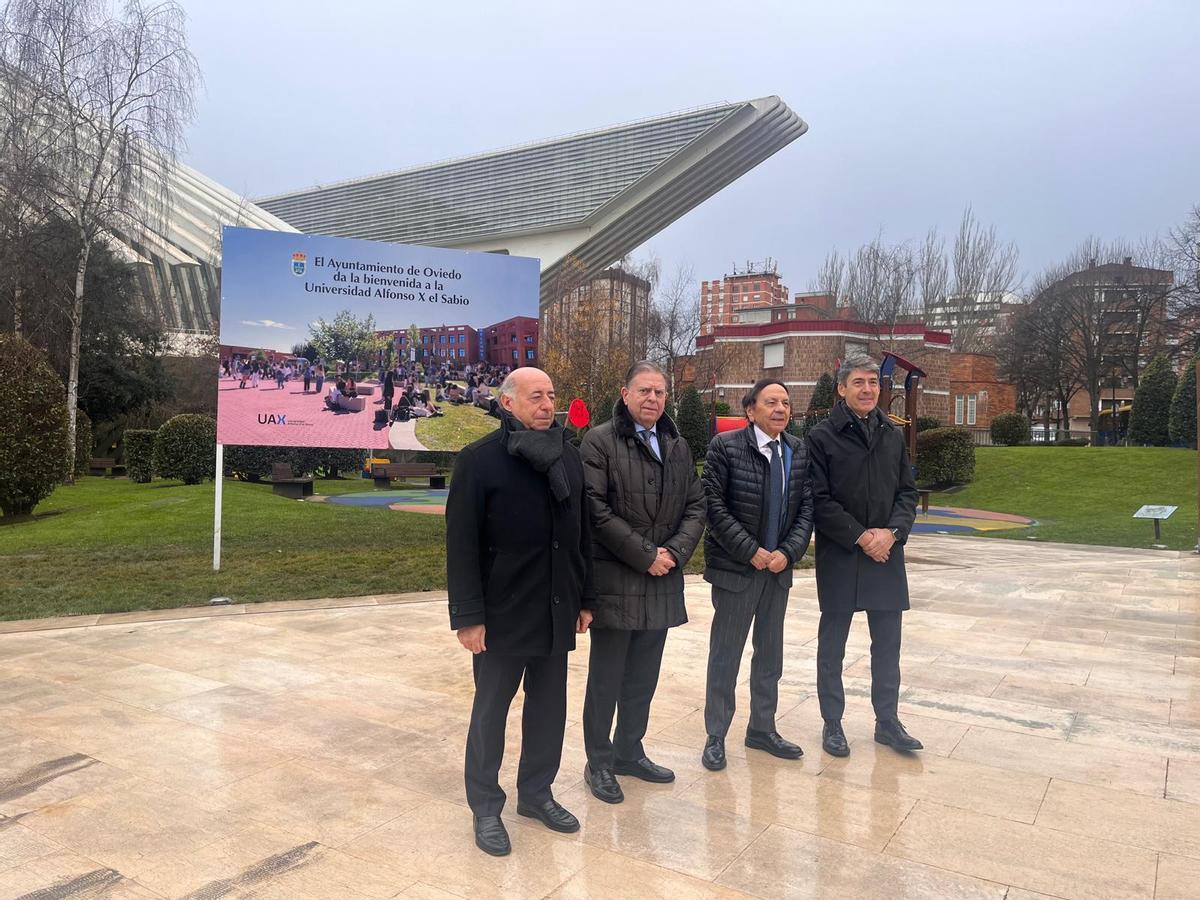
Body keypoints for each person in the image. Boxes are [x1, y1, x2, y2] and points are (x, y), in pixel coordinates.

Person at [446, 367, 594, 857]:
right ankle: (486, 806)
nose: (547, 404)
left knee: (549, 709)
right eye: (536, 396)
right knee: (491, 712)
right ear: (508, 403)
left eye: (551, 395)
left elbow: (581, 536)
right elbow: (461, 545)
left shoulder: (569, 458)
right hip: (502, 614)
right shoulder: (479, 461)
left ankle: (536, 794)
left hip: (556, 609)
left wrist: (584, 599)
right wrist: (469, 617)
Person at [579, 361, 705, 804]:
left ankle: (630, 751)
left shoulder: (677, 445)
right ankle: (599, 761)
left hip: (662, 581)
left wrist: (673, 554)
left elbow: (696, 504)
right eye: (644, 391)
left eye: (660, 392)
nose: (653, 399)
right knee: (607, 680)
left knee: (643, 678)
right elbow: (593, 509)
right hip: (616, 579)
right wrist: (645, 554)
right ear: (625, 393)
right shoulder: (598, 441)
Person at [807, 354, 922, 757]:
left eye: (873, 382)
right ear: (842, 388)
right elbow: (819, 500)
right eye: (859, 382)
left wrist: (892, 533)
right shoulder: (821, 437)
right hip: (843, 554)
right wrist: (860, 536)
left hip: (886, 554)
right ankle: (832, 724)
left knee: (887, 645)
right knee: (832, 645)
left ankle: (887, 723)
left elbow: (907, 492)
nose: (868, 389)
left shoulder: (892, 434)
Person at [699, 379, 814, 771]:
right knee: (726, 655)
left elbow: (806, 510)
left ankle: (762, 728)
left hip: (777, 573)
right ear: (751, 410)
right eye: (771, 402)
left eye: (785, 402)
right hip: (737, 571)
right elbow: (713, 506)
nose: (781, 409)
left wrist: (788, 552)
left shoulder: (797, 451)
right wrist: (751, 551)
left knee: (770, 655)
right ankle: (716, 735)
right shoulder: (725, 447)